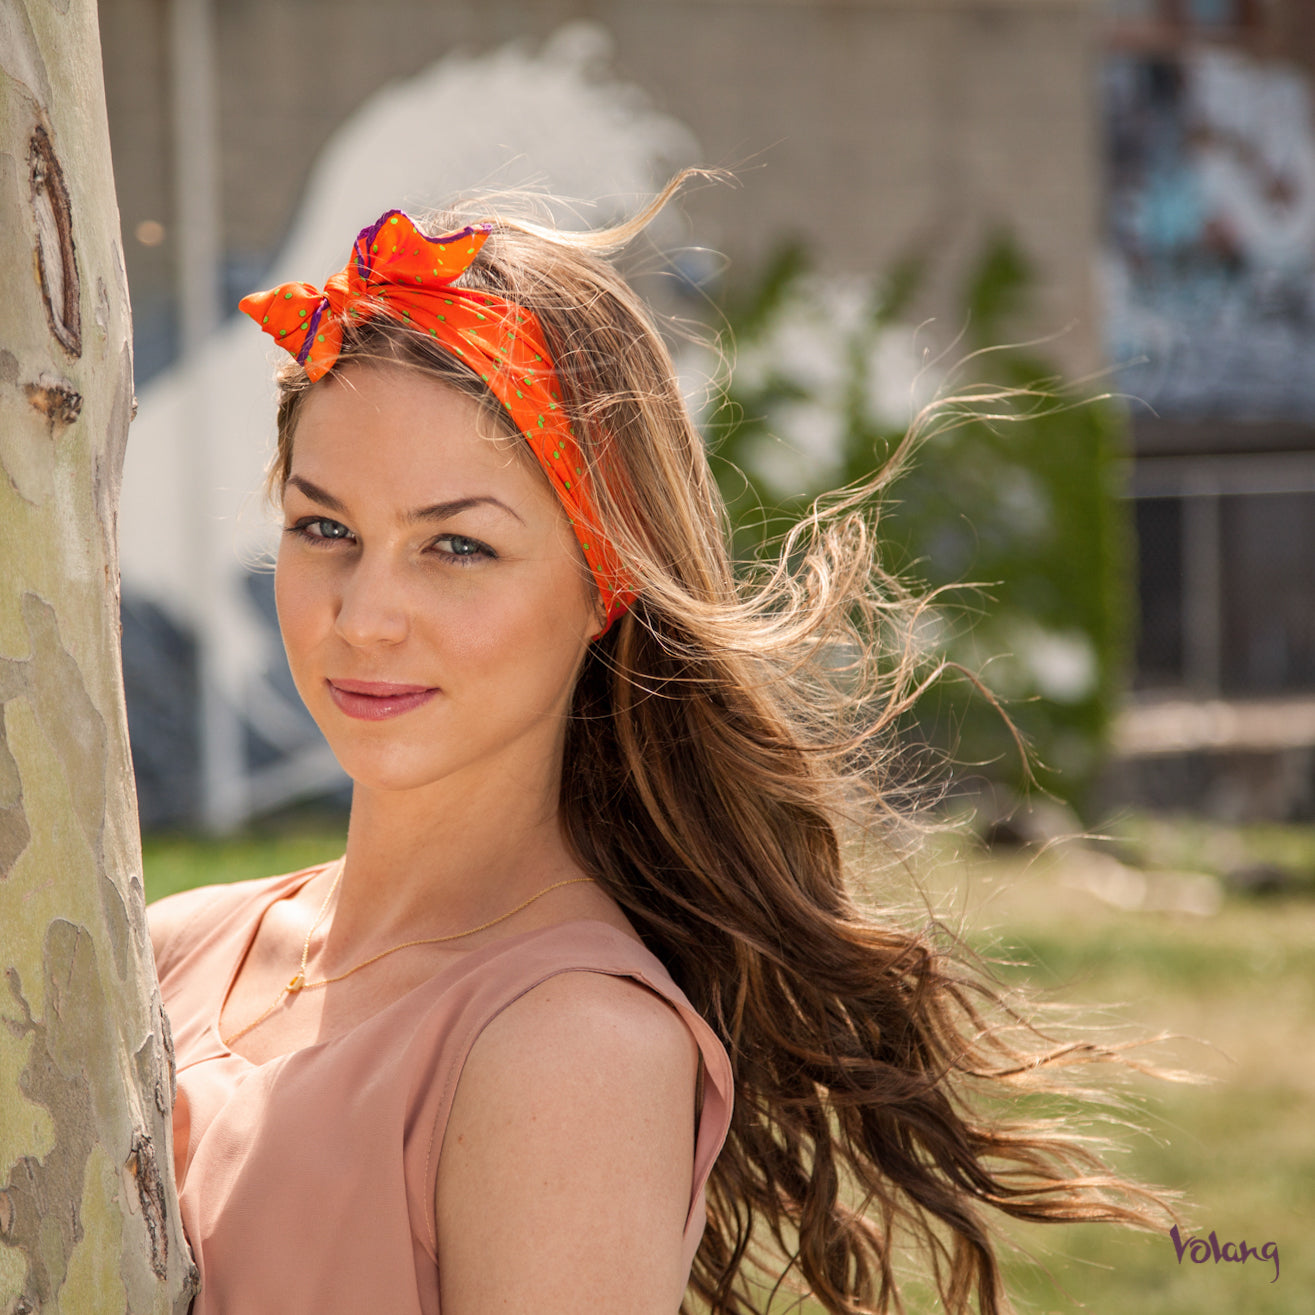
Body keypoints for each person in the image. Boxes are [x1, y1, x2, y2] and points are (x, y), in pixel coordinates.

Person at [148, 186, 1167, 1315]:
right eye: (324, 528)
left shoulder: (569, 1052)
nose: (366, 613)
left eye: (458, 545)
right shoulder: (165, 951)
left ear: (602, 582)